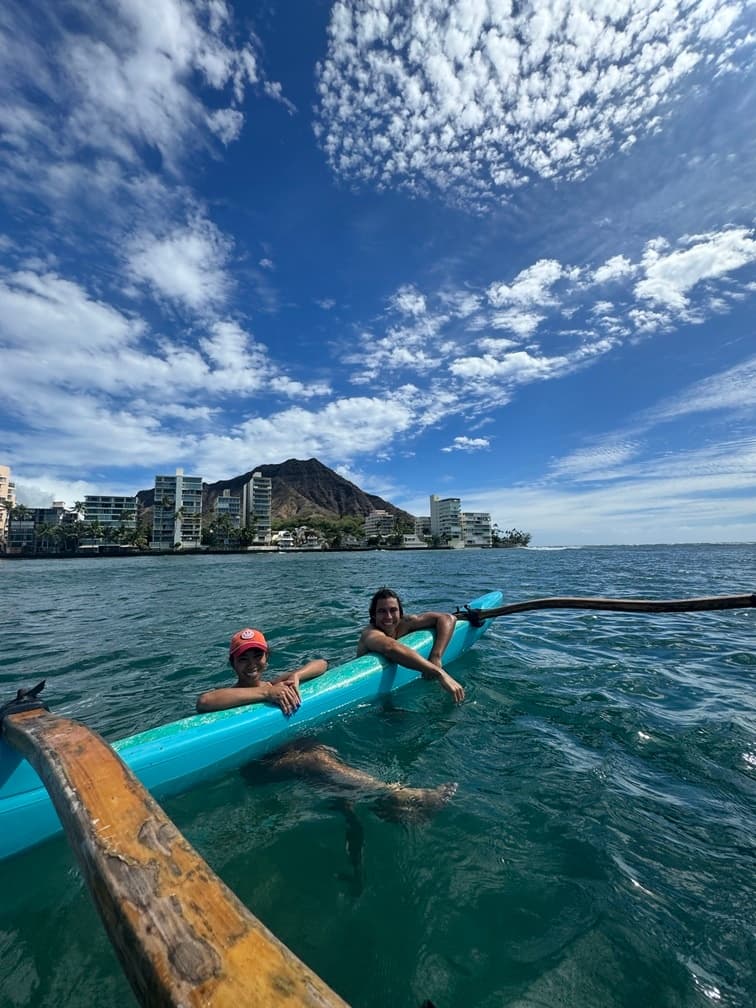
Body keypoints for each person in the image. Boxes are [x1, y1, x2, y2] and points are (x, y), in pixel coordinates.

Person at [196, 626, 456, 821]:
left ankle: (388, 808)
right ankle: (399, 794)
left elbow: (322, 664)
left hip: (288, 750)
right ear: (232, 664)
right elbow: (205, 701)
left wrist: (296, 676)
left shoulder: (275, 684)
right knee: (312, 761)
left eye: (257, 656)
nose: (251, 664)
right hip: (256, 767)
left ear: (267, 658)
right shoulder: (238, 695)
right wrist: (265, 694)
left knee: (323, 757)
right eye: (243, 658)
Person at [356, 588, 465, 703]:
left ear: (400, 613)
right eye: (382, 611)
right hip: (370, 696)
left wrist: (436, 656)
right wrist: (439, 673)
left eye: (393, 610)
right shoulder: (370, 634)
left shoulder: (405, 623)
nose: (388, 616)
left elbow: (448, 618)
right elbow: (390, 647)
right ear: (373, 616)